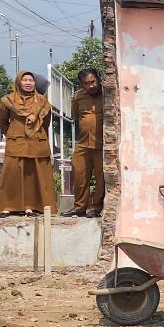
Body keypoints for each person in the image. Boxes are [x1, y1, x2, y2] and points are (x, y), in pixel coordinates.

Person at [0, 71, 55, 217]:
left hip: (37, 143)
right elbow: (2, 122)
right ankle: (7, 207)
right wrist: (13, 133)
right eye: (25, 80)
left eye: (31, 80)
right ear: (18, 82)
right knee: (11, 174)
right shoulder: (8, 100)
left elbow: (46, 124)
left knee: (33, 176)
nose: (28, 83)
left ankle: (30, 207)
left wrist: (37, 134)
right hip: (16, 142)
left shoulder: (43, 102)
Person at [66, 69, 105, 218]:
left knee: (101, 177)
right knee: (79, 175)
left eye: (92, 82)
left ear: (98, 79)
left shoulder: (107, 94)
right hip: (83, 142)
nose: (91, 86)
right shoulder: (78, 96)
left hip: (101, 143)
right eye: (86, 84)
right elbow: (76, 116)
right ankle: (79, 208)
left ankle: (96, 207)